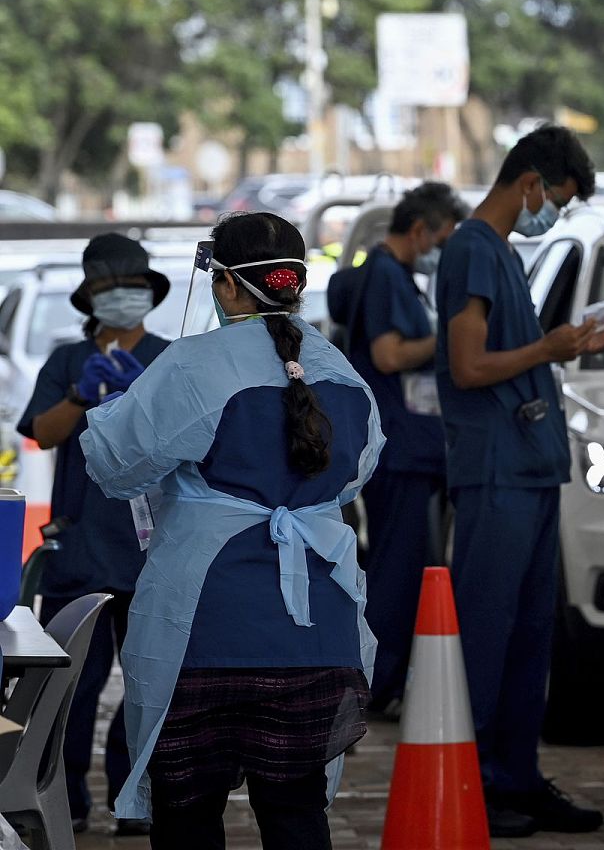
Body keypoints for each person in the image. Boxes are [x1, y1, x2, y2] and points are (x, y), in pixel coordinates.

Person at [79, 212, 383, 850]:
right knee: (297, 817)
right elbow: (354, 480)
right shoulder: (345, 375)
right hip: (317, 635)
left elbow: (112, 467)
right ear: (295, 284)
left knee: (188, 819)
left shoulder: (193, 366)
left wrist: (112, 409)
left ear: (223, 287)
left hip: (205, 633)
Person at [434, 125, 604, 838]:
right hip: (495, 475)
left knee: (526, 639)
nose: (554, 216)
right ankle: (477, 784)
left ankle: (516, 775)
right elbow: (468, 366)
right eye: (557, 201)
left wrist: (572, 347)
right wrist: (548, 345)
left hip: (531, 469)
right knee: (487, 633)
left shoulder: (505, 254)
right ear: (531, 184)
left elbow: (513, 358)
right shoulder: (472, 250)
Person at [17, 233, 172, 837]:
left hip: (152, 549)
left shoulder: (170, 358)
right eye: (110, 289)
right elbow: (44, 432)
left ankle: (136, 796)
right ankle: (66, 793)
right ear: (90, 298)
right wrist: (85, 393)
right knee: (69, 688)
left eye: (131, 287)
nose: (123, 298)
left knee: (148, 682)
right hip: (80, 548)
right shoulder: (66, 361)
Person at [330, 181, 465, 717]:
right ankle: (374, 684)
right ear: (418, 231)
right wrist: (454, 339)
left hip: (410, 444)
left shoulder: (397, 277)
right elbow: (388, 356)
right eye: (443, 238)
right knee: (396, 571)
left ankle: (384, 681)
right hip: (398, 446)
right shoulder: (385, 276)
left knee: (406, 565)